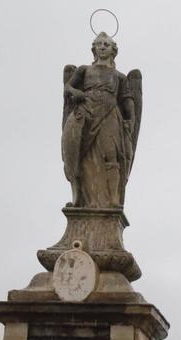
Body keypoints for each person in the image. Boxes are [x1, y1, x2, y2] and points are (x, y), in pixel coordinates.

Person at [61, 33, 139, 209]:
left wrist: (131, 119)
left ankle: (113, 199)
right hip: (85, 113)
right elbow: (68, 87)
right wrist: (75, 93)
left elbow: (128, 99)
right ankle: (79, 197)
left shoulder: (119, 76)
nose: (102, 47)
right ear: (94, 49)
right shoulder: (84, 70)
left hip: (109, 113)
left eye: (106, 44)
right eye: (99, 44)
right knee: (81, 155)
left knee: (111, 154)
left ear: (113, 50)